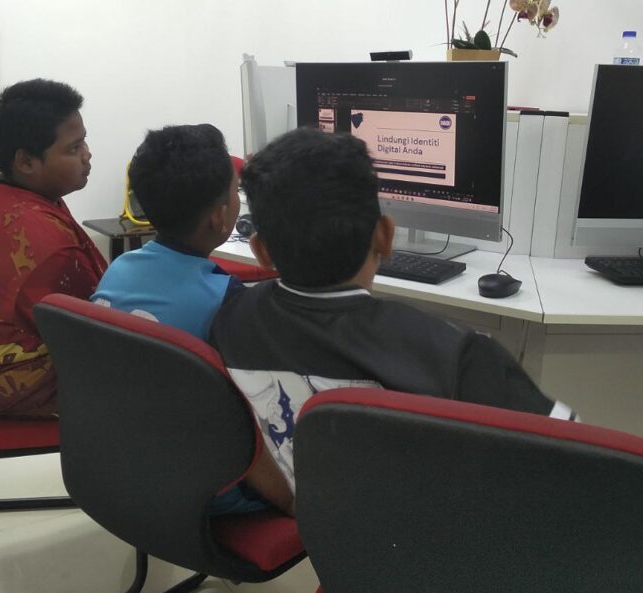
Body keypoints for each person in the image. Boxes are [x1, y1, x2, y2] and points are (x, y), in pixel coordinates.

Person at [211, 128, 575, 491]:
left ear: (261, 252)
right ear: (386, 237)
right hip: (424, 524)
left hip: (308, 513)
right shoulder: (459, 357)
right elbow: (577, 462)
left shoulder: (228, 323)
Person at [92, 124, 294, 516]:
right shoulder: (224, 301)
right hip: (208, 491)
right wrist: (290, 500)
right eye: (235, 193)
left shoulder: (119, 268)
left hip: (125, 465)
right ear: (220, 218)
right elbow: (252, 421)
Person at [0, 79, 106, 418]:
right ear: (26, 161)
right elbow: (98, 332)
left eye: (84, 141)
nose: (87, 154)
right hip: (17, 381)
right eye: (73, 148)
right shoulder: (44, 245)